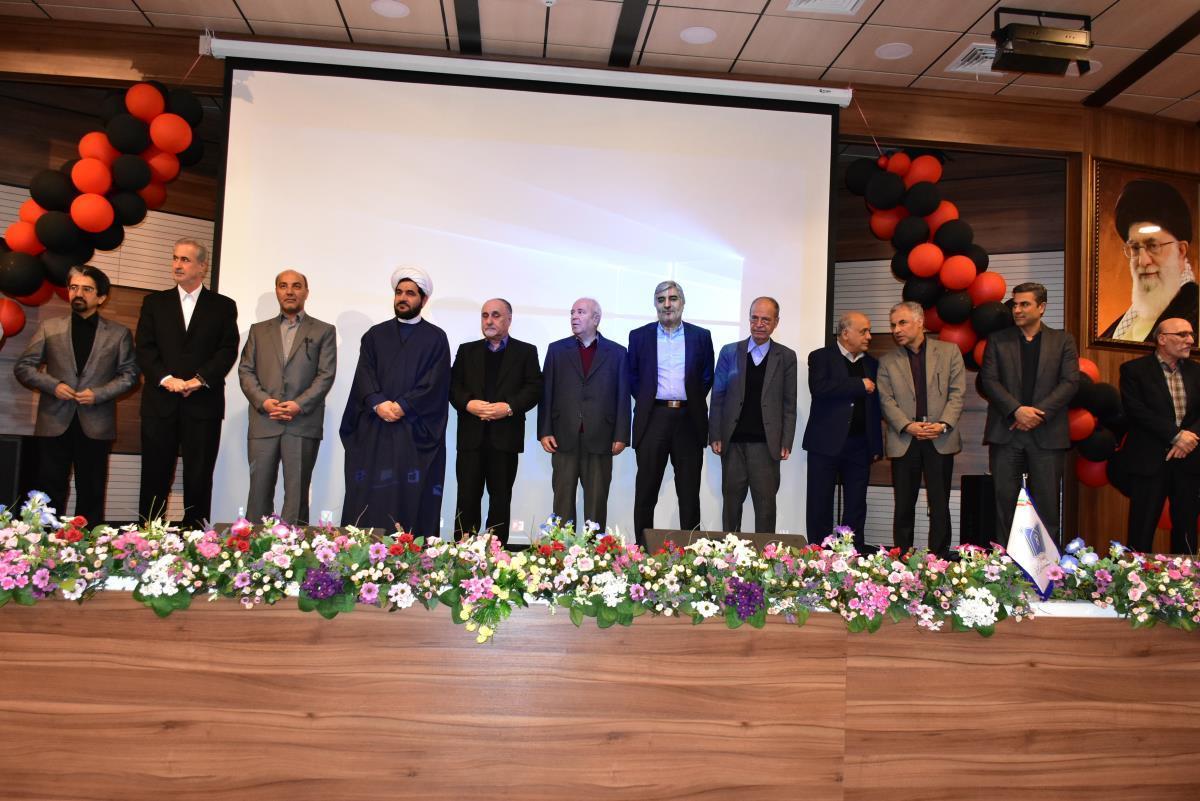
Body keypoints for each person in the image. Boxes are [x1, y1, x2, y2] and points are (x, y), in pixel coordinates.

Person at [13, 266, 138, 525]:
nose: (78, 293)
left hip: (96, 424)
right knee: (48, 490)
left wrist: (99, 394)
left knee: (92, 492)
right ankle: (44, 544)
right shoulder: (49, 327)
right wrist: (53, 385)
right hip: (53, 422)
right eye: (74, 287)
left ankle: (88, 545)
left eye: (87, 289)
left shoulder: (119, 333)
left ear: (101, 297)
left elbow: (130, 376)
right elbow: (24, 367)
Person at [135, 238, 239, 528]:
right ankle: (148, 536)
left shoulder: (223, 306)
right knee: (154, 474)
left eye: (185, 259)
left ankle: (196, 537)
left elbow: (227, 350)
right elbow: (144, 348)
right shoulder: (154, 303)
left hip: (203, 404)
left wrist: (199, 380)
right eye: (175, 258)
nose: (177, 265)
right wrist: (167, 379)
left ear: (202, 267)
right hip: (160, 403)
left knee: (199, 476)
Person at [339, 266, 450, 536]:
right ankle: (364, 552)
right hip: (375, 430)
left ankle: (410, 554)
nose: (403, 298)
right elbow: (364, 374)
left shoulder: (436, 338)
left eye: (410, 293)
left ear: (423, 299)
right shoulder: (374, 335)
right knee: (370, 497)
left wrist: (403, 406)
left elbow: (435, 381)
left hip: (413, 431)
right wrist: (379, 403)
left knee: (410, 498)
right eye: (399, 292)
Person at [980, 282, 1079, 547]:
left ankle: (1047, 566)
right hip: (1007, 433)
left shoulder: (1063, 340)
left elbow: (1070, 382)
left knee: (1047, 507)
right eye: (1015, 304)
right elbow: (989, 380)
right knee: (1005, 505)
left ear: (1041, 307)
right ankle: (1005, 564)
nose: (1017, 310)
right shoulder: (998, 340)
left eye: (1025, 304)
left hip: (1047, 433)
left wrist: (1038, 414)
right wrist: (1017, 411)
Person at [237, 270, 336, 525]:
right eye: (283, 286)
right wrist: (264, 401)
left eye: (296, 286)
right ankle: (254, 546)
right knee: (258, 494)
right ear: (277, 291)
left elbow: (326, 375)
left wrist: (298, 405)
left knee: (296, 496)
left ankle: (294, 547)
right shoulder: (258, 331)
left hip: (302, 423)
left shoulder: (324, 331)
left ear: (306, 292)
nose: (289, 291)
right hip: (264, 421)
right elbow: (245, 371)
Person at [627, 280, 714, 545]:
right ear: (655, 304)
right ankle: (642, 550)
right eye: (661, 299)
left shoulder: (701, 336)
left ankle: (692, 553)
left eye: (673, 299)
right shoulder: (639, 336)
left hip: (689, 420)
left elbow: (706, 376)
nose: (667, 305)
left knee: (689, 494)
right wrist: (647, 400)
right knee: (646, 492)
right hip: (653, 418)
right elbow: (633, 377)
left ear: (682, 303)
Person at [449, 299, 542, 545]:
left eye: (496, 315)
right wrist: (469, 404)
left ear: (509, 319)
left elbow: (534, 389)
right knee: (466, 498)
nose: (489, 320)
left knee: (500, 500)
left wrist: (508, 407)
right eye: (485, 315)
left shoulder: (526, 352)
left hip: (505, 439)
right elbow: (453, 386)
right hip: (471, 439)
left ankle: (495, 553)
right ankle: (462, 552)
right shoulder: (466, 351)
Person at [877, 301, 965, 556]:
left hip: (940, 437)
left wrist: (943, 424)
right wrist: (908, 425)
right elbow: (885, 400)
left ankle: (939, 559)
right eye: (893, 325)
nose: (896, 329)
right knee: (904, 505)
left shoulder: (949, 352)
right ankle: (902, 558)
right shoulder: (887, 361)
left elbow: (957, 393)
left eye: (902, 323)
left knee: (940, 504)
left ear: (920, 322)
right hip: (905, 439)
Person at [538, 298, 630, 532]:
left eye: (580, 312)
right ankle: (560, 550)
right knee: (562, 503)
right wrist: (544, 431)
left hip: (601, 438)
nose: (574, 317)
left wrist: (621, 435)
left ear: (596, 318)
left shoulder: (617, 353)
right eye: (572, 313)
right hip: (563, 437)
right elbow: (546, 392)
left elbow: (623, 396)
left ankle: (594, 551)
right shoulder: (556, 350)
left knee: (596, 504)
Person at [709, 297, 797, 534]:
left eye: (765, 319)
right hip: (733, 444)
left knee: (766, 510)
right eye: (754, 318)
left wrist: (786, 441)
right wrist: (715, 434)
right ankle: (727, 553)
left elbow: (789, 403)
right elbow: (718, 397)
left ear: (776, 322)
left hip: (766, 446)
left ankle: (765, 555)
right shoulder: (729, 352)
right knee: (731, 508)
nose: (759, 324)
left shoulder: (786, 357)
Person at [1115, 318, 1199, 553]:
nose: (1190, 340)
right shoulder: (1134, 370)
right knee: (1141, 530)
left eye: (1191, 334)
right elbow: (1137, 411)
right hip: (1149, 461)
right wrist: (1176, 436)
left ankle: (1186, 576)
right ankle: (1134, 576)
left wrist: (1189, 438)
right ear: (1162, 339)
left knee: (1187, 530)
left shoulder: (1197, 371)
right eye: (1182, 334)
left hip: (1189, 460)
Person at [801, 310, 883, 550]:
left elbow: (875, 408)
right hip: (824, 444)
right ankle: (819, 554)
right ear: (846, 333)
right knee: (819, 503)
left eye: (869, 331)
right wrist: (859, 384)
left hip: (860, 445)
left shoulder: (872, 363)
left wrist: (876, 445)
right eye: (864, 331)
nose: (869, 336)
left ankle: (850, 553)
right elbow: (820, 388)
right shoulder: (820, 357)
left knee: (856, 504)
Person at [1101, 179, 1198, 342]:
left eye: (1153, 246)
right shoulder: (1125, 323)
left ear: (1181, 250)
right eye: (1135, 248)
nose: (1142, 261)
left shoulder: (1194, 311)